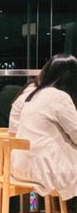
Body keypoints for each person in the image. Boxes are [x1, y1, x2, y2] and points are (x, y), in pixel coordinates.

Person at [12, 53, 77, 203]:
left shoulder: (34, 94)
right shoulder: (59, 97)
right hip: (44, 169)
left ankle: (43, 210)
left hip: (21, 166)